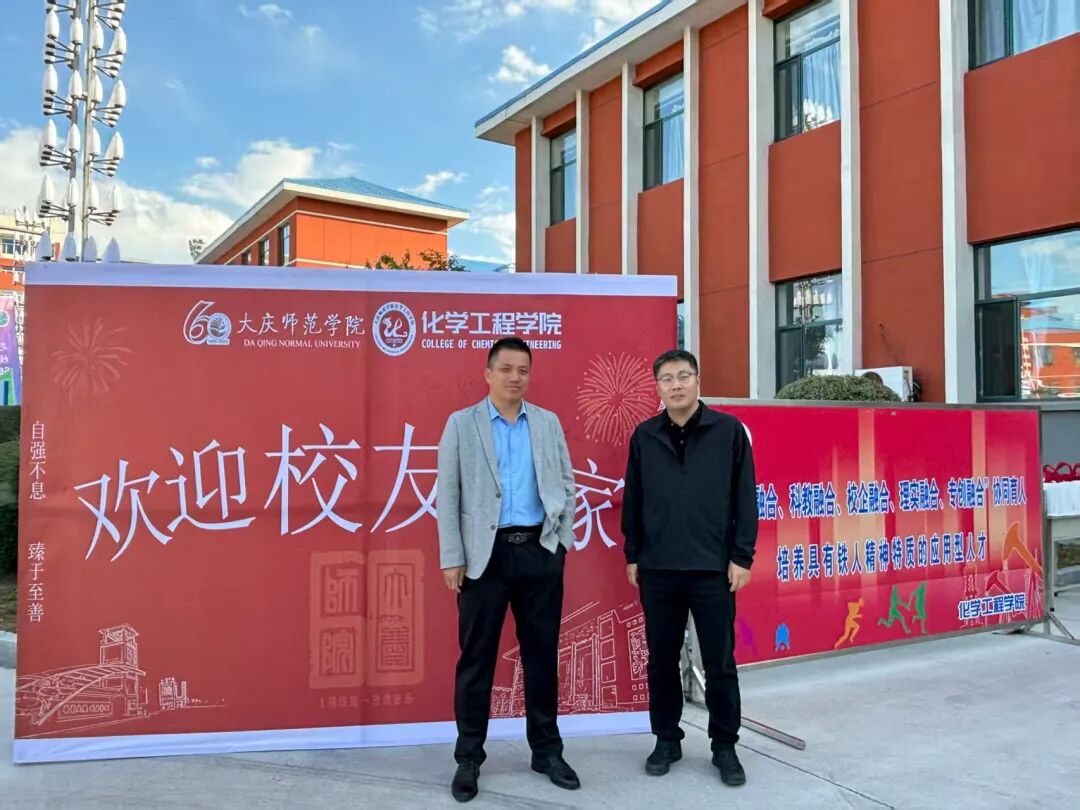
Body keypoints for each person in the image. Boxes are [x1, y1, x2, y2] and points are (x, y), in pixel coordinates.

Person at [437, 336, 579, 803]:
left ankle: (547, 751)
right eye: (506, 369)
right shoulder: (462, 424)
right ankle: (468, 758)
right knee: (476, 660)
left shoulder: (546, 422)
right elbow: (448, 496)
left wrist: (559, 543)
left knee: (542, 656)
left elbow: (566, 482)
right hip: (485, 558)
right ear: (488, 373)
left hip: (539, 551)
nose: (515, 377)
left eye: (523, 370)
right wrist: (453, 556)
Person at [621, 349, 758, 787]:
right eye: (667, 378)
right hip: (658, 568)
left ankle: (725, 746)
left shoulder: (728, 431)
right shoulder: (644, 436)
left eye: (684, 376)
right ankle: (666, 739)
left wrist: (742, 556)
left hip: (713, 569)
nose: (676, 385)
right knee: (661, 661)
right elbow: (633, 499)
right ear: (658, 387)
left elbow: (745, 498)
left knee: (719, 662)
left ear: (698, 380)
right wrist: (632, 554)